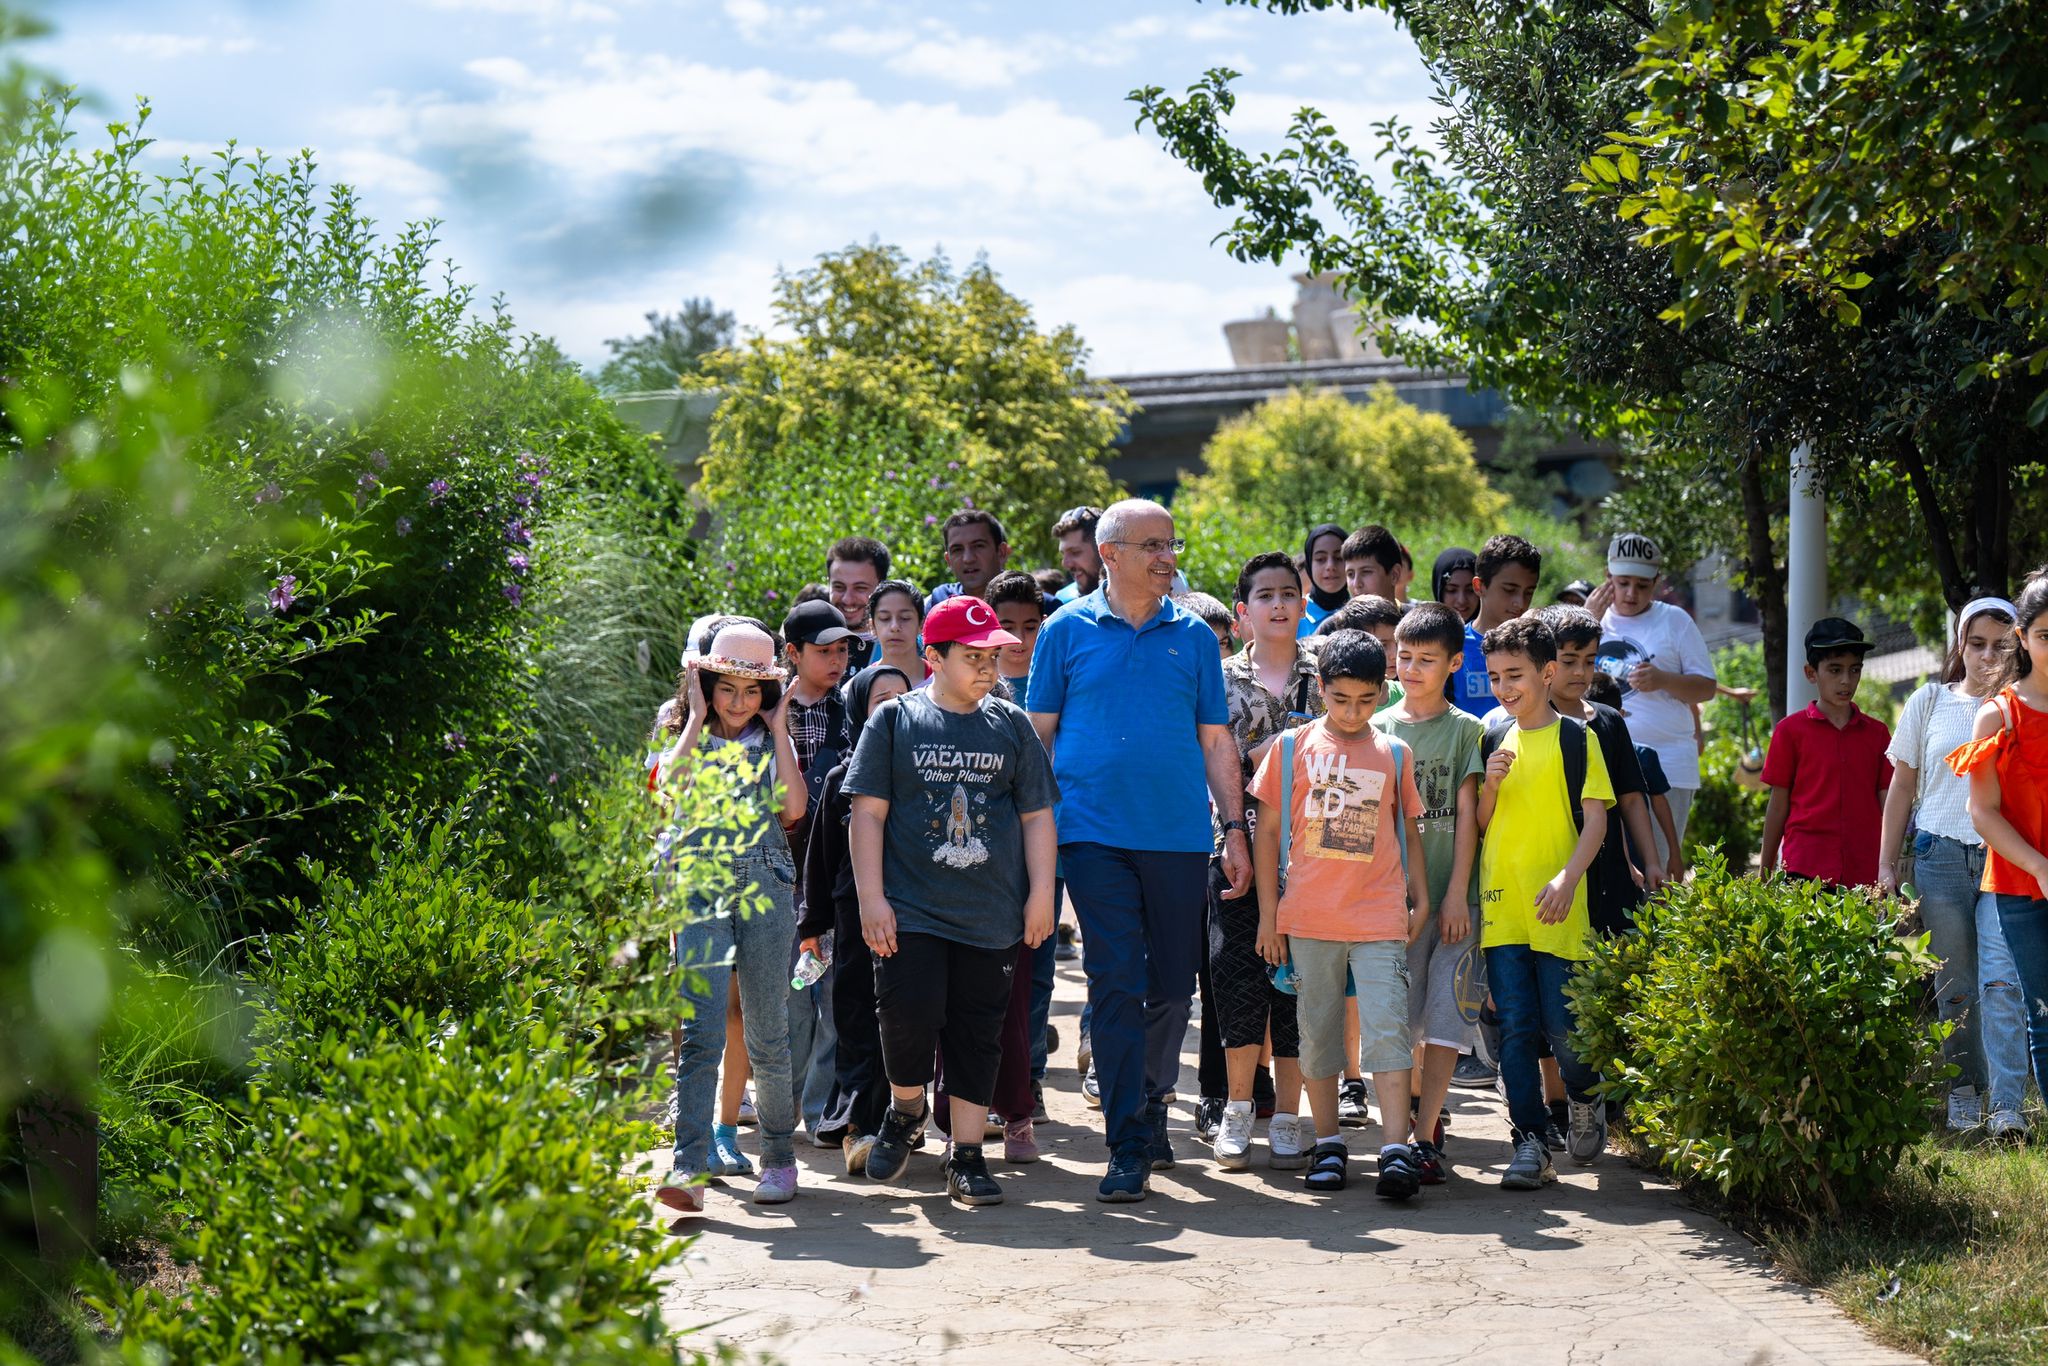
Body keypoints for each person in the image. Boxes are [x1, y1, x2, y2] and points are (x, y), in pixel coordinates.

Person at [1026, 499, 1249, 1202]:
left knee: (1174, 984)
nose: (1168, 556)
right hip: (1091, 835)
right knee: (1116, 980)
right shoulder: (1064, 630)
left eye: (1171, 544)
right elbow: (1039, 737)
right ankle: (1127, 1141)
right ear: (1110, 553)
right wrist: (1036, 840)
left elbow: (1216, 740)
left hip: (1180, 836)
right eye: (1153, 545)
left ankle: (1153, 1103)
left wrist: (1234, 829)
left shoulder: (1193, 638)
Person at [845, 595, 1058, 1206]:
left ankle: (966, 1156)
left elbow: (1038, 815)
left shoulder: (1011, 724)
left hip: (991, 915)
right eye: (973, 656)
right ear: (933, 657)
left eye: (993, 654)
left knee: (978, 1035)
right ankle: (906, 1107)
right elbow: (867, 815)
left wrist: (1041, 893)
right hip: (909, 909)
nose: (989, 665)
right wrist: (871, 898)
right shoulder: (894, 721)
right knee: (907, 1017)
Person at [1249, 630, 1429, 1197]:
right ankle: (1327, 1144)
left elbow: (1410, 832)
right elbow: (1269, 833)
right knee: (1318, 1034)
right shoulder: (1290, 748)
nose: (1353, 712)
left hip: (1379, 917)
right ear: (1320, 687)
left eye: (1367, 700)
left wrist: (1420, 898)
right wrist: (1267, 917)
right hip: (1309, 920)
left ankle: (1396, 1149)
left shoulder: (1395, 752)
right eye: (1341, 698)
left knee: (1388, 1031)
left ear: (1384, 692)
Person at [653, 624, 807, 1212]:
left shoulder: (771, 743)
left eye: (752, 691)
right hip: (701, 886)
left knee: (769, 1029)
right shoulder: (687, 736)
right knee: (700, 1034)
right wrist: (695, 716)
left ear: (766, 694)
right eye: (727, 688)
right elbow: (671, 786)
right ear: (707, 683)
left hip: (766, 883)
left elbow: (793, 809)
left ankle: (778, 1158)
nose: (739, 702)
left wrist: (782, 733)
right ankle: (688, 1166)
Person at [1880, 597, 2030, 1139]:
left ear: (2017, 648)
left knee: (2002, 981)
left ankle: (2009, 1107)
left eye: (2000, 645)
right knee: (1956, 985)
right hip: (1939, 859)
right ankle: (1964, 1093)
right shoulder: (1928, 700)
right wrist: (1887, 865)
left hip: (2003, 860)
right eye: (1976, 643)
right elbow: (1901, 787)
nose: (1987, 655)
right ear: (1959, 645)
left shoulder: (2023, 707)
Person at [1477, 616, 1614, 1190]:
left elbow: (1597, 821)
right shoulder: (1491, 739)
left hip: (1560, 907)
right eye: (1494, 676)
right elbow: (1482, 826)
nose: (1504, 687)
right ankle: (1529, 1139)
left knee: (1565, 1029)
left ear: (1548, 672)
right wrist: (1488, 784)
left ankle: (1584, 1099)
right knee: (1515, 1028)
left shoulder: (1578, 739)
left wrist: (1566, 879)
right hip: (1501, 909)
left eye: (1515, 674)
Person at [1208, 551, 1321, 1172]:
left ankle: (1288, 1116)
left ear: (1302, 604)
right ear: (1243, 609)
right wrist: (1233, 832)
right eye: (1264, 595)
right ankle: (1236, 1109)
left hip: (1314, 854)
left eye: (1288, 593)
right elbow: (1208, 757)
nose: (1278, 604)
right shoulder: (1220, 679)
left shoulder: (1325, 672)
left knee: (1296, 986)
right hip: (1233, 845)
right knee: (1235, 977)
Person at [1374, 601, 1485, 1186]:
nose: (1411, 669)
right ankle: (1404, 1118)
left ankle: (1424, 1136)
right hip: (1392, 907)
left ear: (1455, 663)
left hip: (1455, 902)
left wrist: (1453, 896)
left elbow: (1467, 815)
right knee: (1399, 1019)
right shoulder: (1378, 727)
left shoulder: (1467, 730)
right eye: (1404, 657)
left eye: (1425, 660)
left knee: (1446, 1018)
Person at [799, 662, 913, 1175]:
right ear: (858, 710)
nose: (891, 706)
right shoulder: (840, 778)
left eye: (902, 697)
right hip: (851, 916)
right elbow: (820, 861)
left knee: (905, 1018)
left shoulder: (925, 773)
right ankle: (857, 1126)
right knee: (855, 1017)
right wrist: (810, 925)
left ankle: (898, 1117)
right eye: (878, 698)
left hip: (916, 914)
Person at [1952, 573, 2048, 1118]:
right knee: (2039, 1010)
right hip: (2020, 884)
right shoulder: (1999, 714)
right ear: (2023, 636)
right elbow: (1981, 810)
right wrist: (2039, 866)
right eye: (2046, 636)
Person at [1526, 604, 1667, 929]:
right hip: (1551, 871)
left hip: (1611, 872)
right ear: (1545, 662)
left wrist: (1651, 862)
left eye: (1589, 661)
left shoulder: (1609, 722)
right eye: (1569, 661)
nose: (1580, 671)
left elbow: (1630, 798)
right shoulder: (1524, 724)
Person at [1585, 532, 1717, 867]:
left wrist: (1663, 679)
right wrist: (1585, 621)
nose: (1631, 593)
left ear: (1657, 582)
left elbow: (1706, 688)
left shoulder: (1674, 620)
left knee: (1655, 870)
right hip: (1604, 762)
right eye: (1623, 582)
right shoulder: (1590, 618)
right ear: (1607, 576)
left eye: (1642, 585)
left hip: (1668, 763)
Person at [779, 598, 855, 1143]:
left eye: (843, 650)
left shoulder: (848, 708)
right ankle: (784, 1106)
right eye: (823, 652)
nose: (836, 661)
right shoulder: (768, 711)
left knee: (831, 999)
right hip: (778, 873)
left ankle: (822, 1112)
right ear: (793, 654)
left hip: (828, 874)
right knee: (788, 999)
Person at [1759, 618, 1891, 885]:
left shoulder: (1877, 734)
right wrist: (1765, 870)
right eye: (1834, 670)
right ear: (1811, 673)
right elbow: (1778, 804)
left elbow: (1888, 802)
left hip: (1865, 871)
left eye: (1855, 670)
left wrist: (1890, 863)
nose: (1846, 680)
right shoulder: (1789, 732)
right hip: (1804, 870)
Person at [1588, 671, 1681, 876]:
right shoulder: (1580, 753)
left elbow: (1659, 803)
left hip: (1637, 850)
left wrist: (1674, 852)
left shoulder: (1643, 755)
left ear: (1619, 716)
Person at [1453, 534, 1542, 718]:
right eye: (1509, 590)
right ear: (1479, 586)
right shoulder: (1453, 645)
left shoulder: (1539, 647)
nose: (1520, 602)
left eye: (1528, 592)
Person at [827, 537, 891, 673]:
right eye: (839, 587)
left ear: (882, 586)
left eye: (860, 588)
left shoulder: (901, 647)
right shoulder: (807, 643)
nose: (847, 599)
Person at [927, 510, 1013, 611]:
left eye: (978, 546)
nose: (968, 559)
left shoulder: (1028, 599)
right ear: (948, 560)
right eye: (957, 549)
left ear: (1001, 552)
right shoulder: (937, 603)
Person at [866, 579, 930, 685]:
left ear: (921, 624)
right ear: (872, 626)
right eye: (885, 618)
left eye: (905, 618)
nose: (894, 627)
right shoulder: (856, 689)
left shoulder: (945, 682)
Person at [1300, 522, 1350, 637]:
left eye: (1338, 558)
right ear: (1309, 564)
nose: (1330, 566)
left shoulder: (1365, 614)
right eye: (1320, 559)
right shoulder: (1293, 618)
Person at [1054, 505, 1104, 602]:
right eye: (1063, 554)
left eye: (1075, 552)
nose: (1065, 564)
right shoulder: (1062, 602)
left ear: (1103, 551)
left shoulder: (1138, 595)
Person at [1341, 523, 1402, 600]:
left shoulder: (1413, 612)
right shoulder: (1338, 612)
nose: (1356, 584)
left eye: (1366, 572)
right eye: (1350, 574)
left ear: (1394, 575)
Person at [1433, 547, 1480, 625]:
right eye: (1452, 590)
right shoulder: (1424, 634)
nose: (1462, 600)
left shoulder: (1497, 634)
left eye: (1471, 590)